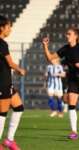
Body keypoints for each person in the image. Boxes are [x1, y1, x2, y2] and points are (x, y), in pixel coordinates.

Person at [0, 15, 26, 150]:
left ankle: (9, 140)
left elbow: (5, 63)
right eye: (8, 26)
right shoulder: (2, 43)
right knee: (2, 114)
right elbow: (10, 62)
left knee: (19, 107)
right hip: (2, 83)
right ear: (2, 28)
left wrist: (12, 68)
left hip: (6, 83)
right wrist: (19, 69)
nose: (10, 29)